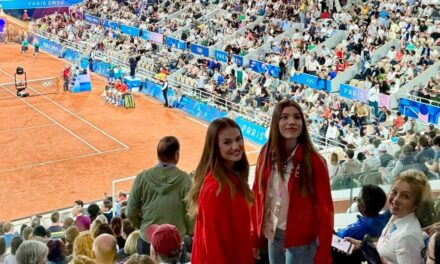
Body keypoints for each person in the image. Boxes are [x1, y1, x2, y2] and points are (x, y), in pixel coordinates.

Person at [251, 99, 334, 264]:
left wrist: (323, 251)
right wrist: (256, 237)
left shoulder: (315, 161)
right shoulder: (266, 153)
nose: (291, 122)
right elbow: (257, 194)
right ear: (276, 122)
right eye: (284, 117)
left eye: (297, 117)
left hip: (302, 239)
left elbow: (326, 210)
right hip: (273, 232)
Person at [188, 117, 254, 263]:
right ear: (215, 147)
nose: (236, 146)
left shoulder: (231, 178)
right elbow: (213, 245)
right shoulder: (216, 188)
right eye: (227, 142)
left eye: (238, 139)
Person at [345, 169, 433, 264]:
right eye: (394, 192)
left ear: (416, 204)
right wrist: (360, 245)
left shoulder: (407, 236)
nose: (395, 199)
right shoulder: (396, 217)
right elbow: (388, 246)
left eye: (405, 196)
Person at [126, 136, 193, 255]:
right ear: (177, 155)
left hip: (148, 239)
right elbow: (191, 213)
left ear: (158, 155)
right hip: (175, 240)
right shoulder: (185, 180)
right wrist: (186, 232)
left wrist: (142, 226)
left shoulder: (142, 177)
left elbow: (130, 211)